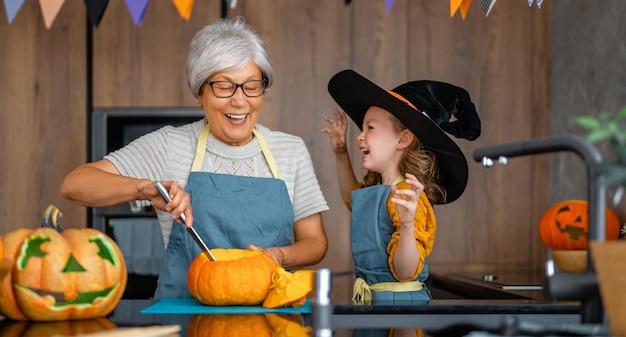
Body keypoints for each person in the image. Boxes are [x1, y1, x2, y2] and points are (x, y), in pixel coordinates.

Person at [61, 17, 329, 299]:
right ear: (199, 93)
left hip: (270, 313)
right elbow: (74, 184)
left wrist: (277, 256)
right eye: (224, 86)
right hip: (185, 315)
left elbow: (315, 242)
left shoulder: (290, 149)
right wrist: (145, 188)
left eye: (252, 85)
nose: (240, 101)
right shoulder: (170, 145)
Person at [321, 69, 480, 304]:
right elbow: (351, 199)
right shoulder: (377, 189)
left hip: (399, 309)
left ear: (403, 139)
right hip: (373, 305)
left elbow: (405, 272)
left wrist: (407, 226)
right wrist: (341, 154)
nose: (359, 136)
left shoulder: (407, 195)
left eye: (370, 128)